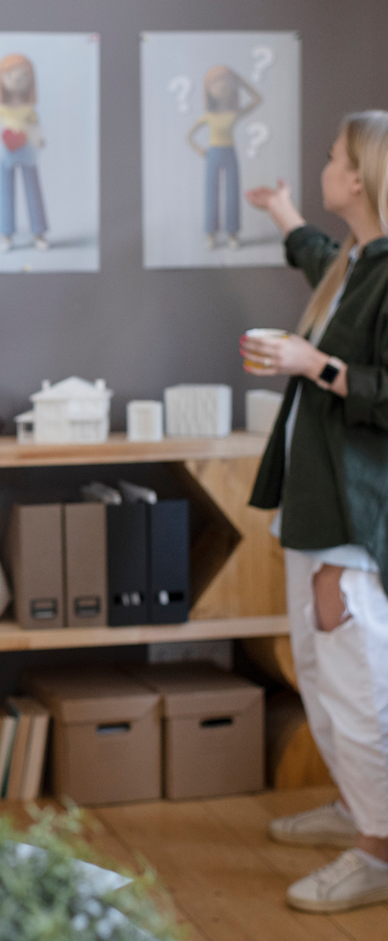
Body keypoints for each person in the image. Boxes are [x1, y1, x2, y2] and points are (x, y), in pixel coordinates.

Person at [243, 110, 388, 912]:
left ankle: (379, 849)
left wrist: (312, 362)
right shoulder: (354, 260)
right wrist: (283, 214)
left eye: (332, 156)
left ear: (359, 175)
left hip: (354, 514)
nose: (325, 164)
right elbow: (318, 261)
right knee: (319, 673)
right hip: (312, 503)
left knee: (356, 682)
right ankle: (357, 812)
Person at [187, 65, 262, 250]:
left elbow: (257, 99)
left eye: (226, 81)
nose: (222, 86)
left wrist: (239, 79)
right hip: (213, 153)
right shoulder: (208, 116)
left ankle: (232, 234)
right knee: (211, 194)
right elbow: (189, 136)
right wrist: (200, 150)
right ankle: (210, 234)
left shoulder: (234, 113)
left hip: (230, 152)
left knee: (232, 193)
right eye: (216, 82)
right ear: (208, 89)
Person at [0, 53, 48, 253]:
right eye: (10, 75)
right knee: (6, 191)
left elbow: (35, 128)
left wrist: (38, 139)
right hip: (7, 153)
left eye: (22, 75)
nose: (17, 80)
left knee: (33, 190)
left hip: (27, 151)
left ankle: (39, 232)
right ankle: (6, 233)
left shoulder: (29, 110)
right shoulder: (3, 110)